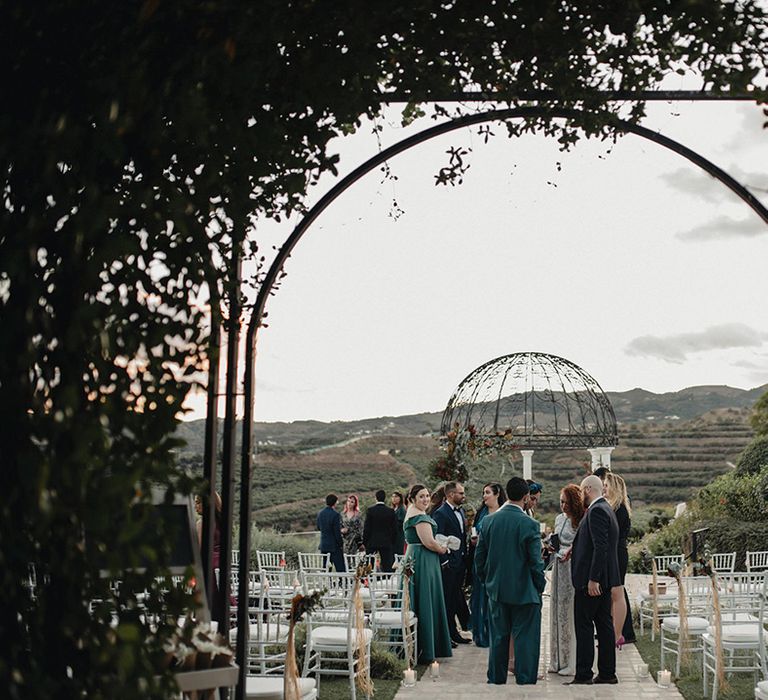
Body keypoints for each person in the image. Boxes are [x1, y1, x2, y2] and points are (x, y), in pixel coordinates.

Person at [475, 477, 546, 685]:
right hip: (526, 592)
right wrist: (539, 586)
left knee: (498, 638)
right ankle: (524, 681)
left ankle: (496, 680)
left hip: (497, 590)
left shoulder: (489, 521)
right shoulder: (530, 524)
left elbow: (479, 559)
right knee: (526, 640)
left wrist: (488, 582)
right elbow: (535, 563)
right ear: (526, 497)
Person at [568, 474, 620, 685]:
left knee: (584, 626)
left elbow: (601, 547)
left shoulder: (597, 510)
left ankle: (583, 674)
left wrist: (592, 579)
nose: (581, 495)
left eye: (581, 491)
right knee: (604, 625)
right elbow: (596, 543)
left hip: (593, 581)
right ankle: (608, 673)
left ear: (588, 489)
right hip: (604, 579)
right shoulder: (606, 508)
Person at [403, 484, 453, 663]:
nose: (425, 499)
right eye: (421, 497)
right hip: (423, 560)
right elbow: (429, 542)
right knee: (425, 599)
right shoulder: (419, 517)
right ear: (413, 499)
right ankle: (425, 648)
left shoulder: (413, 512)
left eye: (427, 496)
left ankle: (417, 645)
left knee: (420, 600)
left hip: (418, 557)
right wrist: (443, 549)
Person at [548, 484, 585, 676]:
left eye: (566, 502)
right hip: (559, 568)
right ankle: (556, 659)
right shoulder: (559, 519)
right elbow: (557, 540)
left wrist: (567, 552)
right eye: (561, 502)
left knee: (569, 612)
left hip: (573, 568)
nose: (562, 506)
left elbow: (582, 546)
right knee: (557, 610)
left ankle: (570, 660)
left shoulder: (581, 521)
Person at [432, 481, 469, 646]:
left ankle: (455, 633)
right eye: (460, 493)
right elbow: (438, 539)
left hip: (460, 562)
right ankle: (447, 636)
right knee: (447, 601)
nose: (463, 495)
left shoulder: (460, 511)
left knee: (454, 599)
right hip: (448, 564)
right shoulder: (441, 513)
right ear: (450, 495)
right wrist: (445, 561)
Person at [470, 482, 506, 648]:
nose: (484, 496)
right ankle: (480, 634)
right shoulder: (481, 513)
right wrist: (474, 540)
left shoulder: (504, 512)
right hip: (481, 560)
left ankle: (497, 633)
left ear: (497, 494)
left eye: (487, 493)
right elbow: (474, 531)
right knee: (479, 598)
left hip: (499, 562)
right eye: (483, 493)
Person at [604, 472, 635, 646]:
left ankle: (620, 632)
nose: (604, 489)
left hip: (617, 552)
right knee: (613, 592)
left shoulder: (619, 509)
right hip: (615, 551)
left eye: (607, 486)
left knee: (617, 591)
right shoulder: (613, 507)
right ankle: (616, 631)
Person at [195, 491, 224, 623]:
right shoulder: (222, 521)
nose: (195, 506)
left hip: (208, 567)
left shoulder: (202, 523)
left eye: (197, 502)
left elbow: (198, 549)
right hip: (221, 565)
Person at [363, 489, 398, 572]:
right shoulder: (390, 511)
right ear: (385, 498)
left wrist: (365, 542)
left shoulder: (370, 510)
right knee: (387, 565)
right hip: (386, 542)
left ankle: (369, 581)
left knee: (369, 565)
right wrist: (392, 541)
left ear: (376, 498)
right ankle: (387, 582)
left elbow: (367, 528)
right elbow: (394, 529)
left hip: (372, 541)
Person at [317, 494, 345, 573]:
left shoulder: (320, 513)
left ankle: (327, 584)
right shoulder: (335, 515)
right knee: (340, 568)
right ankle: (342, 584)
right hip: (334, 547)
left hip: (324, 545)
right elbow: (337, 532)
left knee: (326, 569)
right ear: (335, 503)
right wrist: (341, 544)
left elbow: (319, 527)